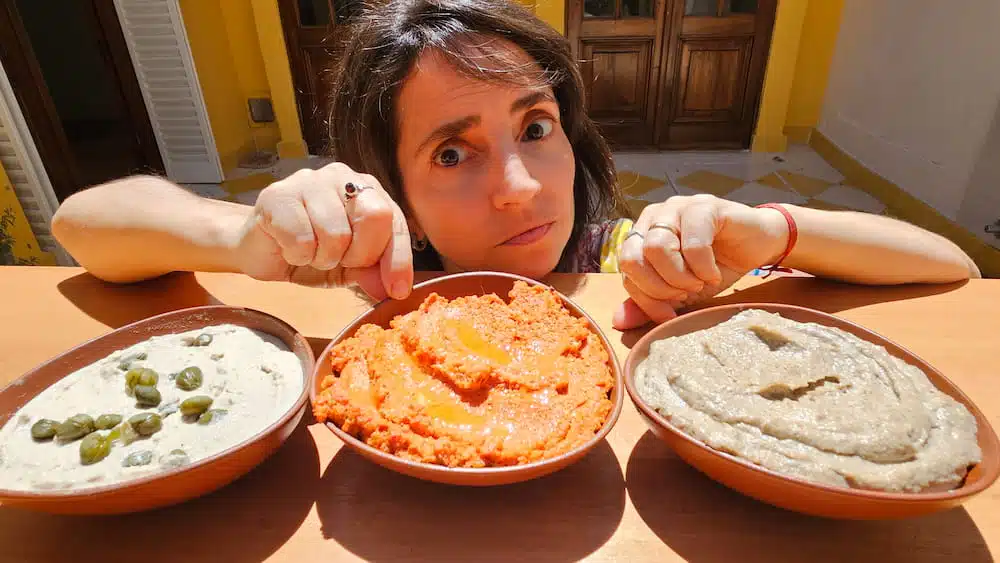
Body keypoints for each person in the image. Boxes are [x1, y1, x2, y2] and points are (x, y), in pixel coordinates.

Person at [50, 0, 979, 331]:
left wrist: (772, 231)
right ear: (390, 185)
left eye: (535, 127)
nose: (523, 188)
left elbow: (953, 269)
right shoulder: (368, 287)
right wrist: (237, 234)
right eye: (451, 151)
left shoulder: (630, 265)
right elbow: (80, 222)